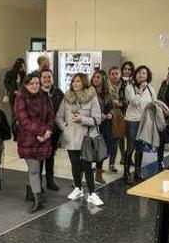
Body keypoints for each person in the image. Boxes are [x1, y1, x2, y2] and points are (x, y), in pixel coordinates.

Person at [56, 72, 104, 206]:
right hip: (70, 138)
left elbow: (98, 119)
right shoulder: (67, 98)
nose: (75, 84)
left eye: (78, 81)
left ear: (84, 82)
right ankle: (78, 188)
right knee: (75, 165)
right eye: (73, 81)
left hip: (85, 139)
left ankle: (92, 193)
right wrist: (64, 127)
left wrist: (82, 119)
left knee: (87, 166)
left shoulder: (92, 98)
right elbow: (58, 117)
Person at [14, 72, 54, 213]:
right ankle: (38, 200)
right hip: (28, 139)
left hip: (43, 139)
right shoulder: (20, 98)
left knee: (36, 169)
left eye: (37, 83)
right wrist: (42, 132)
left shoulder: (43, 97)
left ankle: (31, 191)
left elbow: (50, 116)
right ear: (26, 84)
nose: (35, 85)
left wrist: (48, 131)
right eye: (32, 83)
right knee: (35, 169)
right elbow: (24, 121)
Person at [123, 65, 155, 184]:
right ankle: (126, 173)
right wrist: (140, 90)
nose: (141, 75)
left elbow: (153, 103)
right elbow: (135, 102)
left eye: (144, 73)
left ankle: (137, 172)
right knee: (130, 147)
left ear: (148, 76)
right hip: (132, 121)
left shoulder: (151, 89)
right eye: (139, 73)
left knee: (140, 148)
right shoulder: (129, 88)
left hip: (145, 121)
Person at [38, 68, 64, 192]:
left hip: (54, 131)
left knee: (51, 156)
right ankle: (37, 184)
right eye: (44, 77)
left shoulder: (58, 92)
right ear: (40, 79)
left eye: (49, 77)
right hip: (41, 132)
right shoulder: (36, 93)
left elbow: (64, 109)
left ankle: (50, 181)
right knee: (39, 158)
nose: (47, 79)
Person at [106, 66, 125, 173]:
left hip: (118, 116)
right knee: (104, 141)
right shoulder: (105, 86)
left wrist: (120, 104)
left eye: (117, 74)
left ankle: (111, 164)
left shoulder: (124, 86)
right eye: (112, 74)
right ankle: (98, 164)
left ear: (120, 75)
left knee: (115, 142)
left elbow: (126, 101)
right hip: (107, 115)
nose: (114, 76)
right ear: (109, 75)